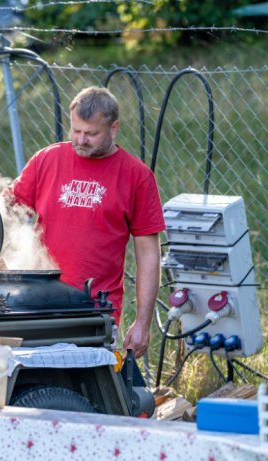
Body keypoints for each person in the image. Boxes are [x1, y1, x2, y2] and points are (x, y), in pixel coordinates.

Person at [10, 86, 165, 358]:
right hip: (37, 303)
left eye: (91, 134)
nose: (80, 140)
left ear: (113, 128)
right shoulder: (47, 160)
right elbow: (8, 210)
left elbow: (148, 252)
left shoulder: (136, 176)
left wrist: (143, 323)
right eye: (75, 130)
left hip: (95, 312)